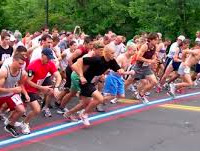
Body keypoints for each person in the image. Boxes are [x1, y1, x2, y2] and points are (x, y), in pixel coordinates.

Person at [64, 44, 124, 126]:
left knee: (85, 103)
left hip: (91, 83)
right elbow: (80, 60)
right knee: (100, 98)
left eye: (114, 53)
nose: (115, 55)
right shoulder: (97, 59)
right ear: (106, 53)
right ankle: (84, 114)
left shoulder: (112, 61)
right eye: (112, 53)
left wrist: (121, 70)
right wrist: (81, 76)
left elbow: (118, 68)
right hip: (85, 82)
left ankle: (68, 114)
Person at [20, 48, 61, 134]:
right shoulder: (33, 65)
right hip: (28, 89)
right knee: (36, 109)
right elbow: (28, 81)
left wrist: (56, 87)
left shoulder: (50, 63)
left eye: (50, 58)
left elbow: (58, 76)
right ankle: (24, 123)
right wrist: (42, 88)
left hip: (37, 88)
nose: (49, 60)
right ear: (42, 56)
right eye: (48, 58)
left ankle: (44, 108)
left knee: (52, 92)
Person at [0, 53, 28, 137]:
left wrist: (26, 94)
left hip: (10, 94)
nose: (21, 66)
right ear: (13, 61)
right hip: (1, 94)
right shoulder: (4, 71)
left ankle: (10, 125)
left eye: (22, 64)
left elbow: (21, 85)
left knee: (21, 110)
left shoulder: (22, 73)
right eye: (19, 63)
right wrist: (13, 89)